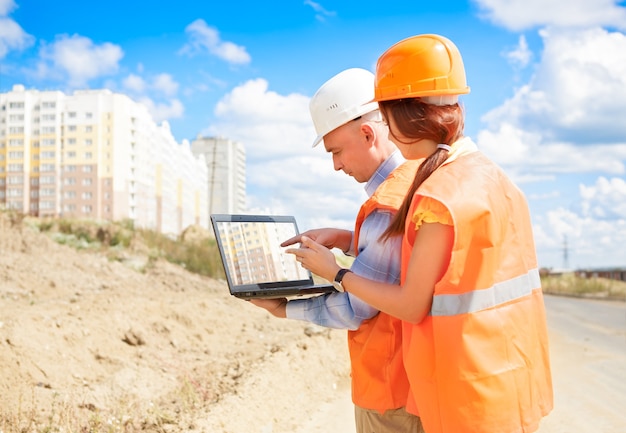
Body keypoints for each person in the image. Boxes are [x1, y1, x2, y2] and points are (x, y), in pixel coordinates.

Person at [287, 34, 554, 433]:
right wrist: (347, 238)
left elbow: (410, 305)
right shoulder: (494, 179)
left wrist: (337, 273)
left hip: (467, 394)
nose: (388, 135)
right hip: (513, 381)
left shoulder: (437, 195)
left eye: (387, 119)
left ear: (403, 115)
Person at [249, 68, 423, 433]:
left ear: (367, 133)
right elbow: (396, 266)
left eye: (337, 151)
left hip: (391, 392)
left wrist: (285, 308)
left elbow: (356, 309)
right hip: (413, 383)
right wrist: (348, 238)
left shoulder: (386, 204)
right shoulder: (413, 180)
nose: (336, 165)